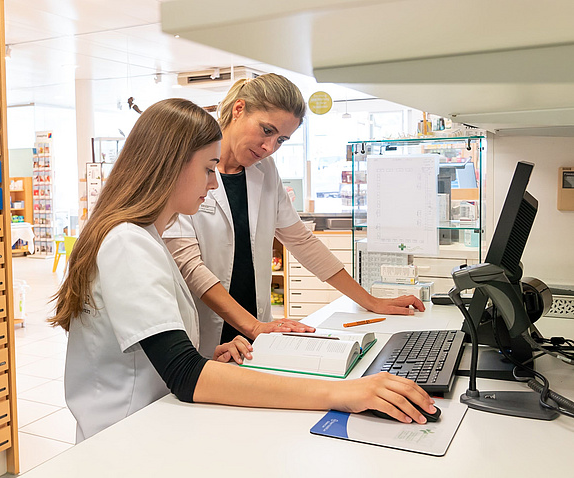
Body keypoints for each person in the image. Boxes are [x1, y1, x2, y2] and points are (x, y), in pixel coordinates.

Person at [50, 98, 435, 443]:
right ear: (168, 166)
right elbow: (183, 374)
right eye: (206, 168)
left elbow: (164, 356)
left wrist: (208, 356)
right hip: (124, 438)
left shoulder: (144, 236)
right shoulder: (128, 242)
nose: (214, 181)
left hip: (157, 423)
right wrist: (341, 393)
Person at [164, 73, 425, 356]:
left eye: (281, 140)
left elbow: (301, 241)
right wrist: (252, 326)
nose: (269, 148)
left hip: (254, 330)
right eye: (266, 130)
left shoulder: (264, 171)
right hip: (206, 331)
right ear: (238, 110)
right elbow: (190, 266)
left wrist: (370, 301)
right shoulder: (189, 165)